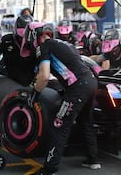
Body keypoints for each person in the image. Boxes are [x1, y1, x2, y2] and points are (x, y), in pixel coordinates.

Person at [24, 22, 100, 175]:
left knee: (59, 124)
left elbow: (44, 76)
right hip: (91, 82)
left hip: (79, 86)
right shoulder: (62, 43)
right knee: (86, 121)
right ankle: (93, 160)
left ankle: (50, 168)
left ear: (33, 36)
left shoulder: (43, 47)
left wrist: (34, 94)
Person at [0, 14, 36, 86]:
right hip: (7, 77)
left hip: (27, 80)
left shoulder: (36, 43)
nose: (23, 39)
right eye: (20, 37)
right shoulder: (6, 39)